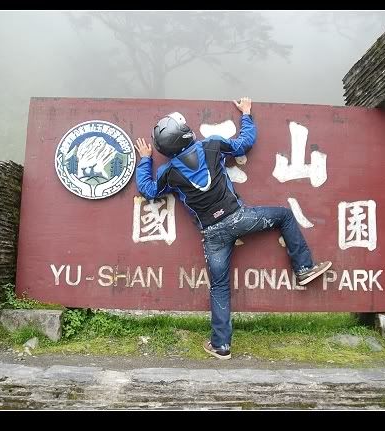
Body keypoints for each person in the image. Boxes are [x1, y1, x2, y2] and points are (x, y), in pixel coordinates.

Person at [134, 97, 332, 360]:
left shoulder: (167, 174)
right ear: (186, 133)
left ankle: (220, 345)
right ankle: (304, 268)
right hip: (239, 219)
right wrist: (246, 114)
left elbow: (148, 190)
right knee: (284, 216)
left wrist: (145, 160)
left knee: (219, 286)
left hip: (212, 235)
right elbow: (244, 144)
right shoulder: (212, 145)